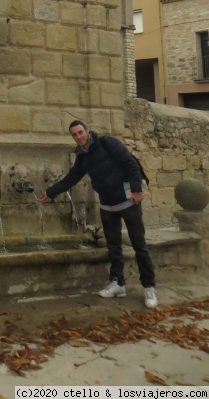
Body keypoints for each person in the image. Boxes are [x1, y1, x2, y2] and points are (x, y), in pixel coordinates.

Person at [37, 119, 158, 309]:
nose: (78, 137)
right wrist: (50, 192)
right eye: (74, 135)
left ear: (87, 131)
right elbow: (71, 178)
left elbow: (130, 164)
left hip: (128, 201)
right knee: (113, 247)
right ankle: (118, 283)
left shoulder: (107, 143)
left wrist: (136, 190)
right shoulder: (82, 158)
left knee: (139, 245)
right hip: (108, 205)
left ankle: (149, 287)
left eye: (80, 132)